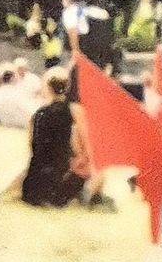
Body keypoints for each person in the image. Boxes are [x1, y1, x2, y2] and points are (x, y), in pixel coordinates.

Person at [20, 67, 108, 208]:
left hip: (31, 189)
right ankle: (91, 196)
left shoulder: (39, 114)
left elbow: (32, 146)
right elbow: (82, 153)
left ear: (47, 88)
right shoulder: (74, 116)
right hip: (57, 188)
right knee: (93, 166)